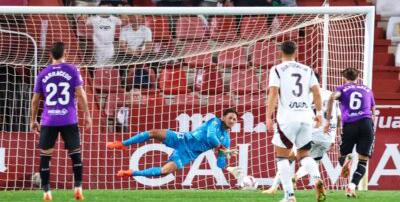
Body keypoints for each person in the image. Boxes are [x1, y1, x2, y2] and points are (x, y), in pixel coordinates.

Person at [31, 42, 92, 201]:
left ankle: (46, 192)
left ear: (50, 55)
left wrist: (33, 120)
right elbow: (81, 94)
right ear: (65, 53)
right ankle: (78, 188)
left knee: (45, 155)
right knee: (75, 154)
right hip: (68, 118)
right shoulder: (73, 70)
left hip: (48, 119)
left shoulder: (43, 73)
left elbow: (35, 100)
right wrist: (87, 115)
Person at [107, 108, 243, 179]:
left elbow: (220, 162)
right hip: (183, 138)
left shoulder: (226, 140)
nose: (232, 121)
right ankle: (122, 143)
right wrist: (222, 148)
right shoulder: (215, 121)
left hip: (187, 154)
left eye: (235, 119)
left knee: (164, 171)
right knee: (153, 132)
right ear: (223, 117)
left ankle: (132, 173)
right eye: (230, 118)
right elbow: (210, 135)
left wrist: (228, 167)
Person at [263, 73, 342, 195]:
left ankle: (274, 188)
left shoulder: (307, 95)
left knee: (287, 157)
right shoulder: (330, 94)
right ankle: (300, 177)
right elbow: (338, 116)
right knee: (313, 161)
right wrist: (335, 133)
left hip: (311, 132)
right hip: (328, 136)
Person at [266, 40, 326, 202]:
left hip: (287, 118)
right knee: (305, 154)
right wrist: (319, 113)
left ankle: (289, 196)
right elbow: (317, 93)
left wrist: (268, 116)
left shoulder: (277, 69)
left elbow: (273, 92)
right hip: (306, 117)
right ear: (296, 52)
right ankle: (316, 179)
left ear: (280, 52)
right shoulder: (307, 69)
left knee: (282, 157)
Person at [324, 67, 376, 198]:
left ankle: (346, 160)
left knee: (342, 154)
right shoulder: (367, 89)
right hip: (366, 123)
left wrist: (328, 119)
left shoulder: (341, 89)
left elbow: (331, 98)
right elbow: (373, 110)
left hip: (350, 125)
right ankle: (351, 187)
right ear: (358, 76)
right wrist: (371, 127)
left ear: (344, 77)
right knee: (363, 160)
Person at [85, 0, 122, 65]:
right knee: (99, 68)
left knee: (109, 68)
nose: (104, 11)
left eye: (106, 9)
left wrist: (119, 11)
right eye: (102, 9)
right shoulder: (93, 19)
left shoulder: (114, 19)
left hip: (110, 48)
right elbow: (85, 21)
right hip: (98, 48)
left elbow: (122, 21)